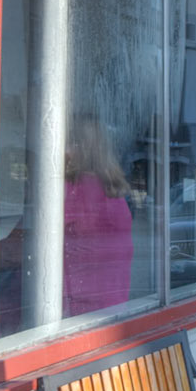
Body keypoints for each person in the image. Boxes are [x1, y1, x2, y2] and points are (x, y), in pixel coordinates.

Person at [62, 114, 134, 316]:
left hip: (81, 306)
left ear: (79, 148)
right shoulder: (114, 189)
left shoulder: (75, 190)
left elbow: (41, 237)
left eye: (69, 142)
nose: (64, 149)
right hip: (114, 303)